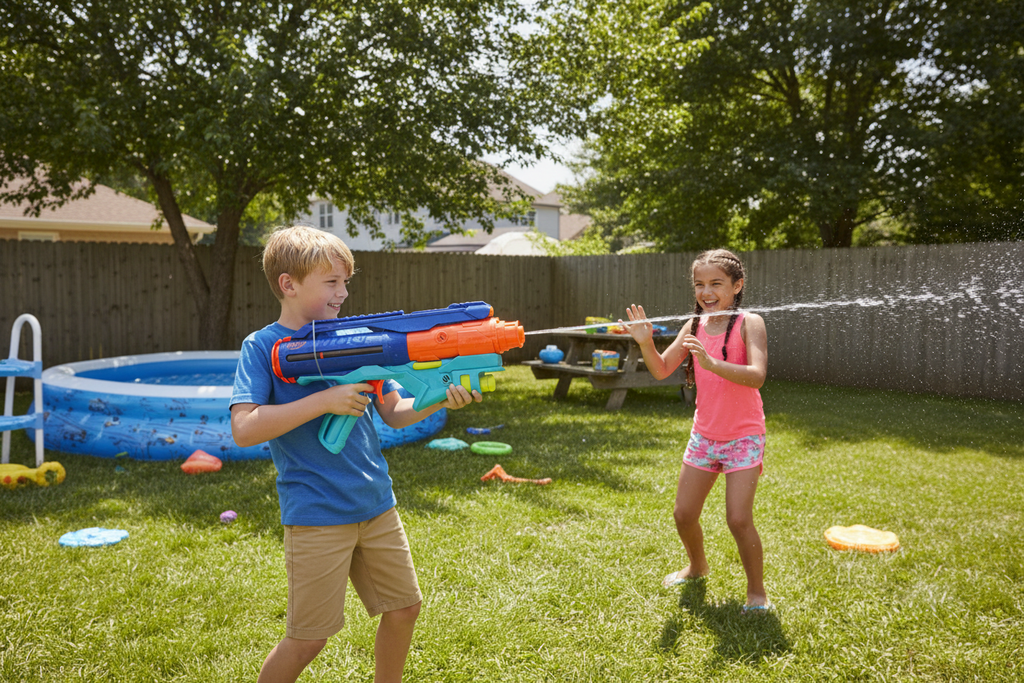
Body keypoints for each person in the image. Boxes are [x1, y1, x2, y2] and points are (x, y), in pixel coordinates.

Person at [231, 225, 484, 682]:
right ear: (288, 284)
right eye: (332, 282)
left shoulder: (356, 338)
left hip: (376, 503)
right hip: (317, 510)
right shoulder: (263, 346)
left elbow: (393, 412)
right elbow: (244, 428)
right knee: (309, 637)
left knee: (405, 608)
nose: (343, 292)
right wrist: (322, 402)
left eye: (345, 282)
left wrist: (441, 397)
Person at [620, 248, 771, 613]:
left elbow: (757, 376)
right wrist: (644, 342)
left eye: (716, 283)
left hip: (743, 436)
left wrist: (710, 362)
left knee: (738, 519)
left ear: (737, 286)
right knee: (683, 515)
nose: (706, 292)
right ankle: (697, 566)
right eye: (700, 284)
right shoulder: (693, 326)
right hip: (704, 435)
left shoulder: (750, 322)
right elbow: (660, 370)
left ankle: (757, 592)